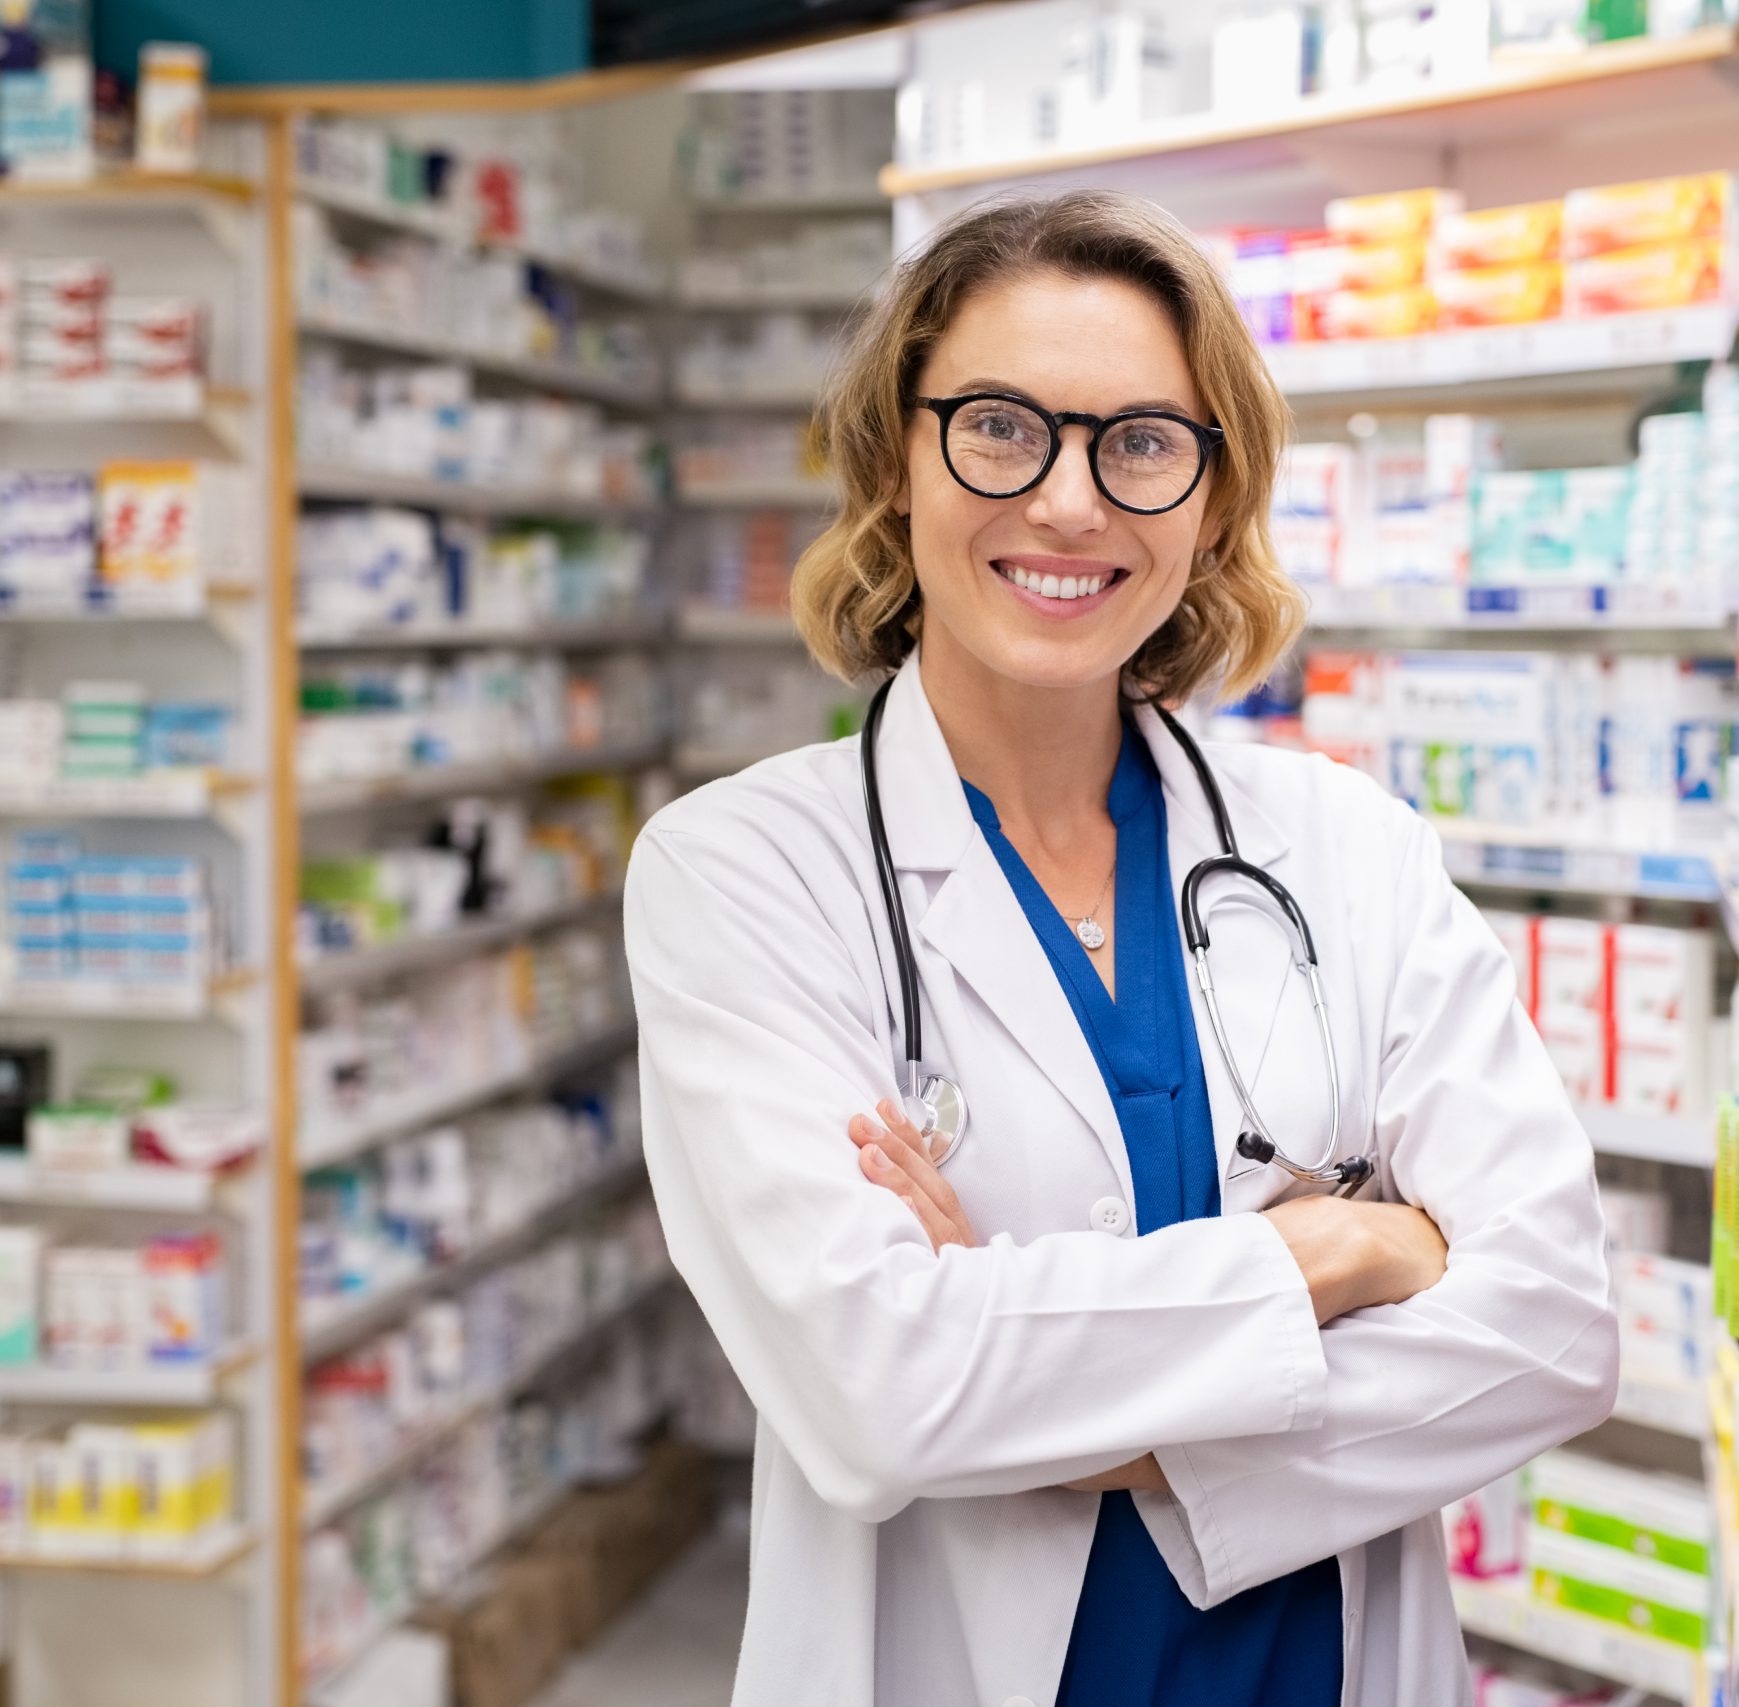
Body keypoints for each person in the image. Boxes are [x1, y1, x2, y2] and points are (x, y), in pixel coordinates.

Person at [625, 188, 1618, 1707]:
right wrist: (1342, 1248)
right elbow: (881, 1393)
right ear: (899, 460)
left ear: (1213, 499)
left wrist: (1078, 1417)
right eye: (1004, 427)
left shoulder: (1344, 847)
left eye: (1143, 443)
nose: (1072, 504)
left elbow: (1550, 1326)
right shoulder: (746, 873)